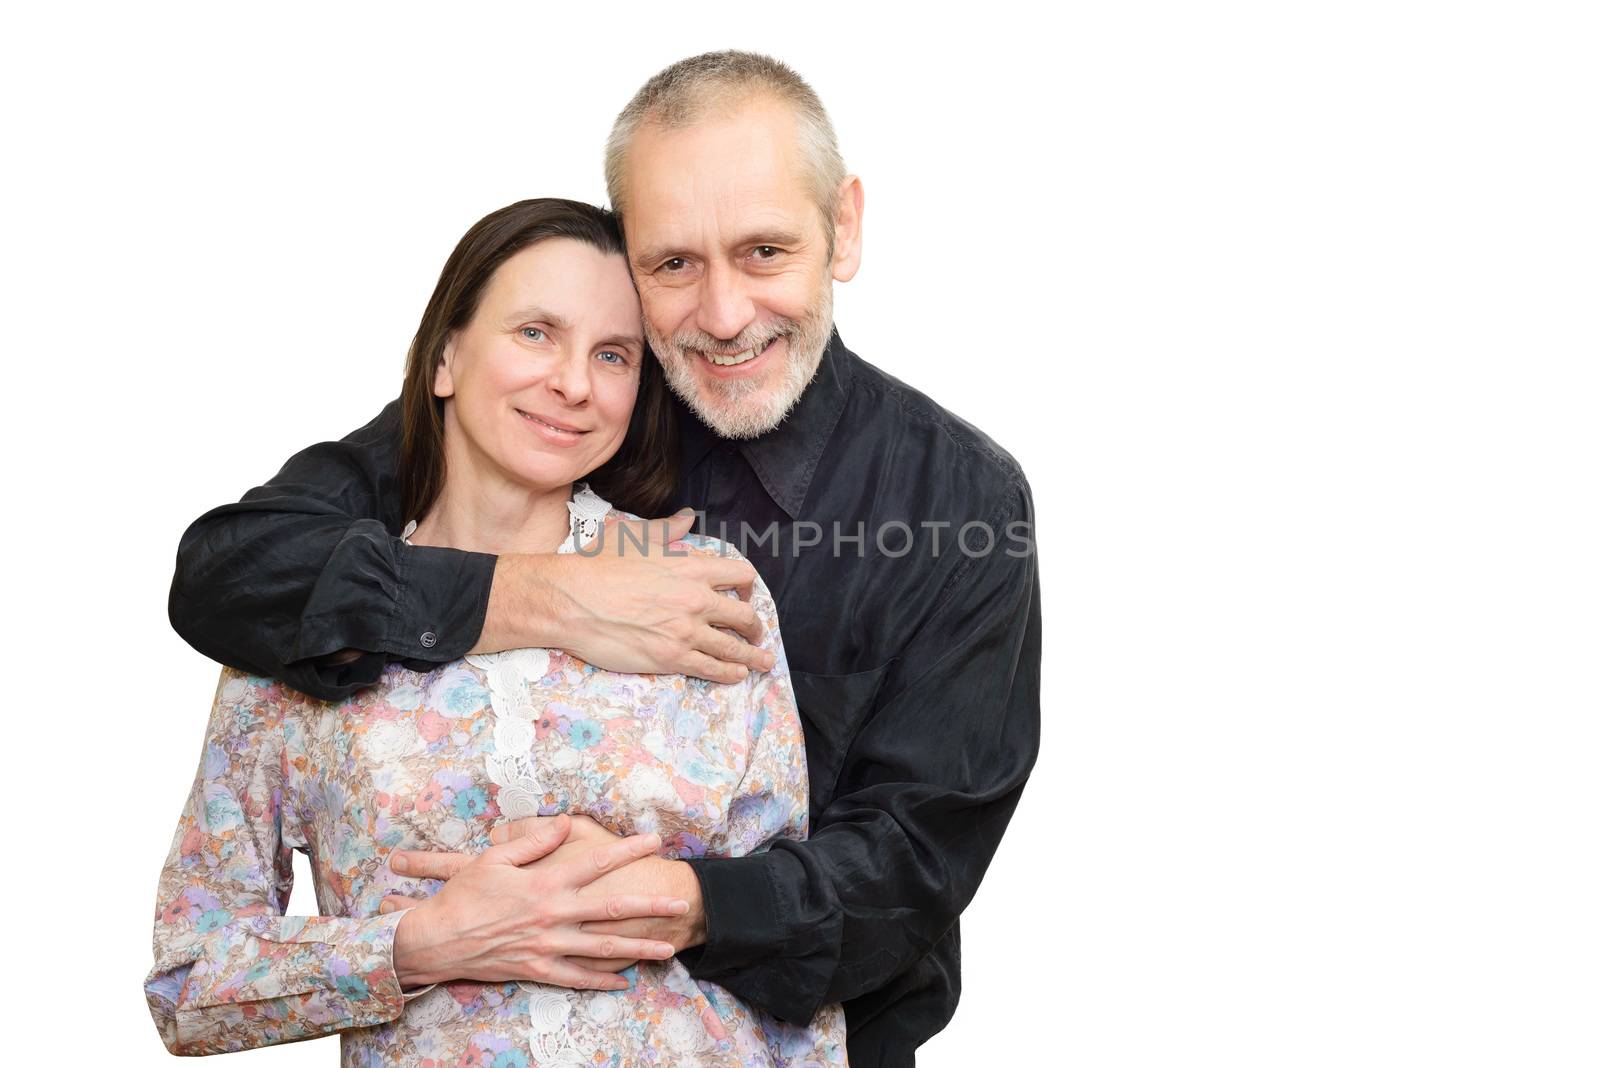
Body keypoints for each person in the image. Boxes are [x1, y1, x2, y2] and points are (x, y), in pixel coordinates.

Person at [170, 51, 1042, 1067]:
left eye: (764, 251)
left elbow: (917, 861)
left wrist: (673, 902)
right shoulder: (555, 407)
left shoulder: (955, 501)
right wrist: (544, 597)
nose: (721, 316)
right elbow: (234, 571)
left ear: (842, 229)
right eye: (672, 264)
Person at [146, 198, 849, 1065]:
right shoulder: (309, 619)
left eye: (613, 355)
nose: (574, 383)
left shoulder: (702, 587)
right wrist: (418, 946)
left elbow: (798, 950)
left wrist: (670, 897)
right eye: (535, 333)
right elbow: (188, 984)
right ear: (445, 356)